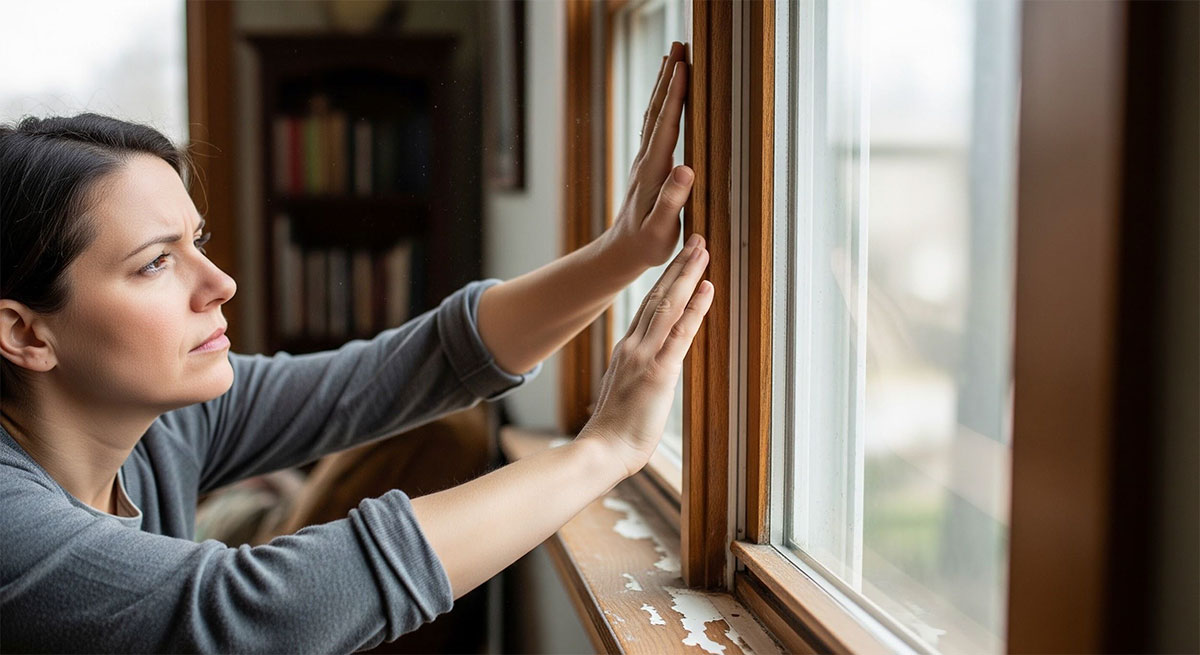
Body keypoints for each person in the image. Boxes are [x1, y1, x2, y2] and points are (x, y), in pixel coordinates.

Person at [0, 43, 712, 652]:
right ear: (26, 332)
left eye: (200, 242)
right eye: (156, 262)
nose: (220, 282)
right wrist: (603, 449)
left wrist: (623, 253)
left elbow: (416, 366)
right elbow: (255, 613)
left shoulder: (158, 423)